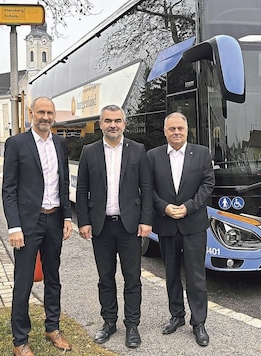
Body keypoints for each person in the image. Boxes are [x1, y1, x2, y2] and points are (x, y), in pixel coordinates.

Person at [76, 104, 153, 349]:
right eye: (108, 120)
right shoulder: (89, 151)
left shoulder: (138, 150)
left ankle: (132, 325)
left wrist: (146, 220)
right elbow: (81, 189)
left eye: (117, 120)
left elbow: (147, 188)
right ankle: (109, 322)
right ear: (100, 124)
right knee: (105, 278)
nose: (113, 125)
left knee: (132, 278)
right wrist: (84, 221)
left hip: (129, 226)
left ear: (124, 124)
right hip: (101, 227)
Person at [2, 96, 74, 356]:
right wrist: (14, 227)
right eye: (41, 112)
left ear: (55, 116)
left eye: (50, 113)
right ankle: (20, 340)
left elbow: (63, 184)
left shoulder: (60, 143)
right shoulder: (16, 144)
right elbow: (8, 189)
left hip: (54, 219)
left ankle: (52, 327)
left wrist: (67, 217)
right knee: (23, 282)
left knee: (53, 278)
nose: (45, 117)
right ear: (31, 113)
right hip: (28, 223)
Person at [147, 112, 215, 347]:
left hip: (193, 223)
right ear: (165, 132)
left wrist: (188, 207)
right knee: (171, 274)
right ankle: (177, 316)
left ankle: (199, 322)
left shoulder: (202, 153)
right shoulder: (153, 156)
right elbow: (148, 188)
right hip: (166, 224)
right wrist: (164, 207)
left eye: (180, 128)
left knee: (196, 276)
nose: (176, 132)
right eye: (172, 129)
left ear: (187, 130)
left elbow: (208, 184)